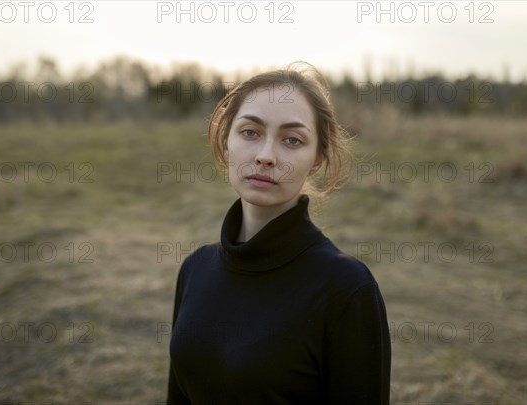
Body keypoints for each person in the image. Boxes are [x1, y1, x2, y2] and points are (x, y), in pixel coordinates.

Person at [166, 62, 391, 404]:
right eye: (250, 132)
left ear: (317, 159)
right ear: (226, 139)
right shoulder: (196, 269)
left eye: (292, 140)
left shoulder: (346, 290)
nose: (266, 156)